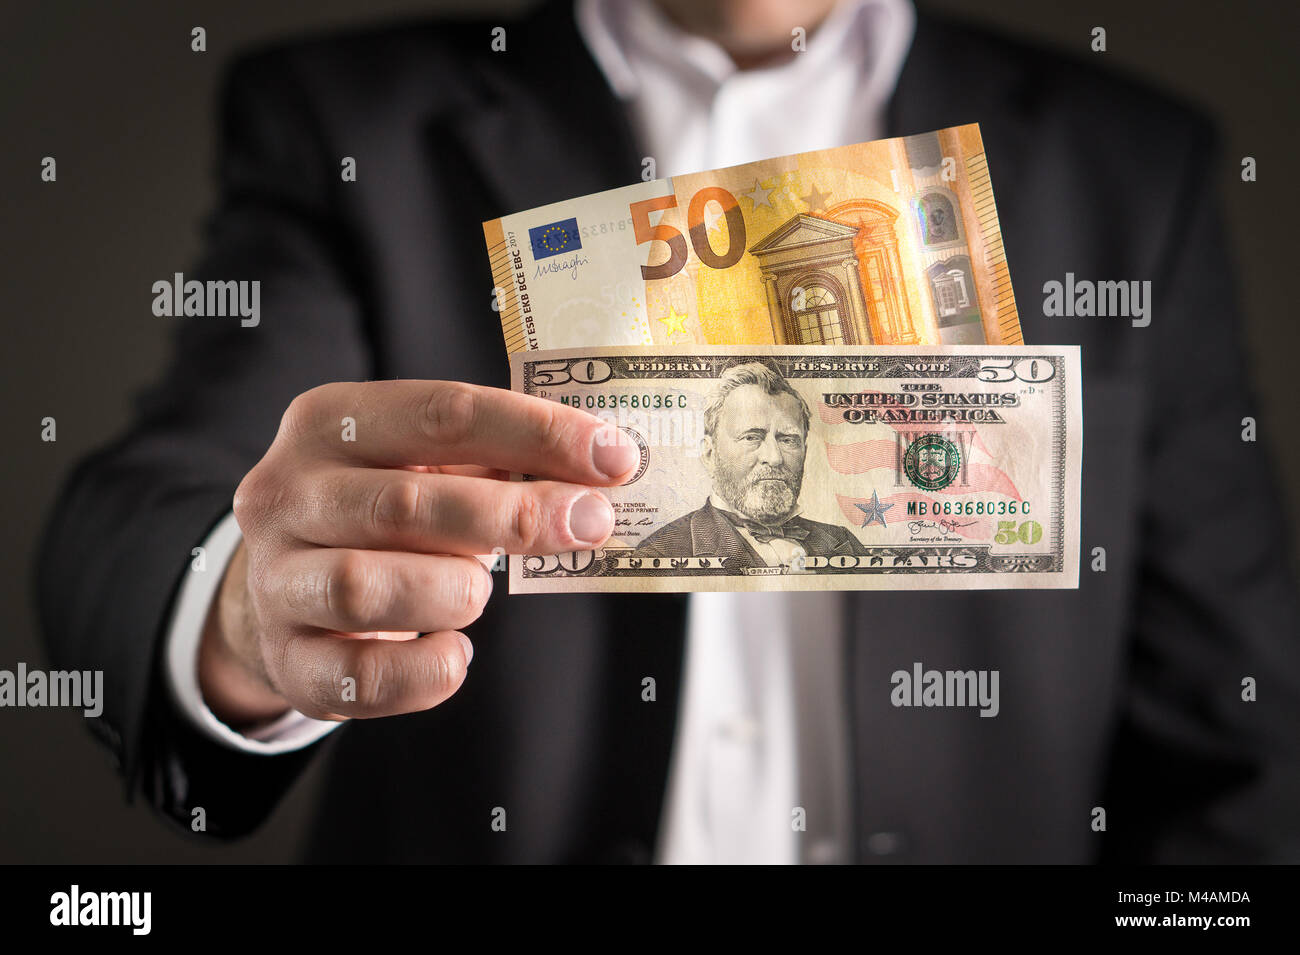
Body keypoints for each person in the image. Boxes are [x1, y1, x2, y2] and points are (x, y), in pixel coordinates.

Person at [37, 0, 1300, 863]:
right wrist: (247, 613)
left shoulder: (1132, 162)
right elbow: (143, 505)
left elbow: (1235, 722)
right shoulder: (343, 118)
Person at [635, 361, 868, 567]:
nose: (774, 458)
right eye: (751, 437)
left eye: (788, 440)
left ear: (805, 451)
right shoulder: (658, 554)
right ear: (709, 454)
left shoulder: (843, 542)